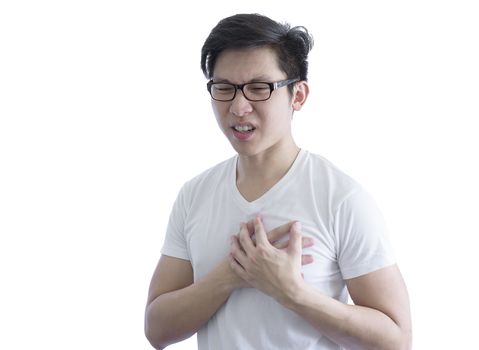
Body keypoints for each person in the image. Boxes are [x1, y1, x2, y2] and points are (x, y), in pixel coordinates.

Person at [145, 13, 412, 350]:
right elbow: (157, 328)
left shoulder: (340, 198)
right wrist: (229, 276)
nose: (239, 107)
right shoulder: (194, 195)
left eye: (259, 88)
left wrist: (293, 293)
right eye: (224, 88)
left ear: (297, 96)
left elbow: (397, 339)